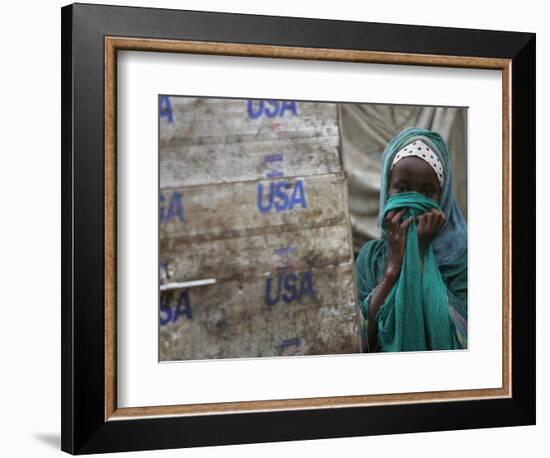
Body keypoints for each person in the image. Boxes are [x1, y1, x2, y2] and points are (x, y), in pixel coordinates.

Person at [355, 127, 467, 352]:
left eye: (427, 192)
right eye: (403, 189)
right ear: (388, 190)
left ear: (442, 198)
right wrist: (392, 271)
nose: (414, 201)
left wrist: (421, 255)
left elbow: (464, 338)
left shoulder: (462, 260)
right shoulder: (370, 257)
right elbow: (358, 338)